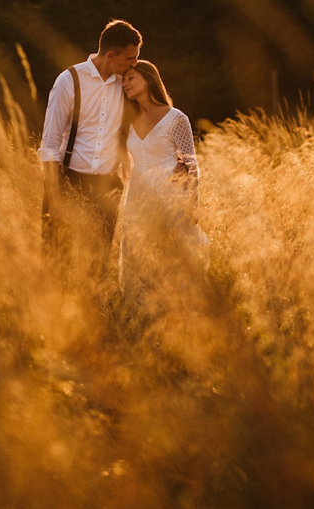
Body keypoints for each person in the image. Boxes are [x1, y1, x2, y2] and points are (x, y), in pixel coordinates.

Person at [38, 20, 142, 273]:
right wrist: (55, 194)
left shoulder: (126, 83)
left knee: (97, 266)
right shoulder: (69, 81)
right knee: (57, 260)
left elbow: (153, 114)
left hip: (107, 185)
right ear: (110, 55)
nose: (134, 64)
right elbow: (50, 144)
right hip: (68, 180)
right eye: (130, 58)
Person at [118, 60, 209, 305]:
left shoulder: (175, 118)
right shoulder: (127, 119)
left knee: (173, 252)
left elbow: (191, 163)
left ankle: (179, 307)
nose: (124, 83)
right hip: (137, 193)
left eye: (130, 78)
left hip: (170, 192)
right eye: (123, 80)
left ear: (148, 79)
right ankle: (140, 308)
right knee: (138, 250)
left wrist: (194, 203)